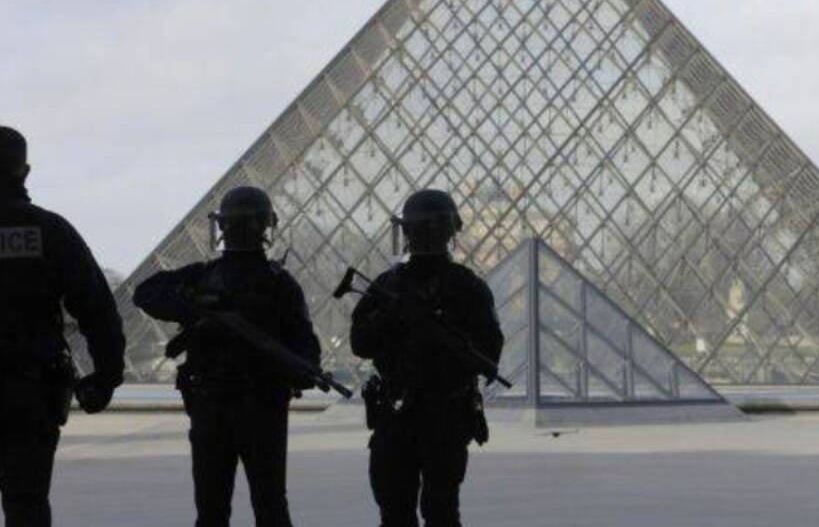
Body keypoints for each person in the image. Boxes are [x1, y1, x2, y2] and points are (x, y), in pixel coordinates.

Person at [133, 186, 319, 527]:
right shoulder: (280, 284)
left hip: (213, 406)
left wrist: (193, 312)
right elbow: (307, 346)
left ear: (222, 226)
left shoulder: (204, 275)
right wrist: (201, 317)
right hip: (259, 409)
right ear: (268, 225)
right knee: (271, 506)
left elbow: (145, 293)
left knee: (212, 508)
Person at [351, 189, 503, 527]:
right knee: (438, 511)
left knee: (402, 511)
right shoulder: (467, 287)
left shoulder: (388, 284)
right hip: (432, 413)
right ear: (453, 230)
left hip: (415, 413)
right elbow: (491, 350)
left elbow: (487, 354)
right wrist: (393, 318)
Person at [0, 125, 126, 526]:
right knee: (28, 504)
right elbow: (97, 310)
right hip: (29, 391)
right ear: (25, 171)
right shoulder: (51, 231)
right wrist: (106, 376)